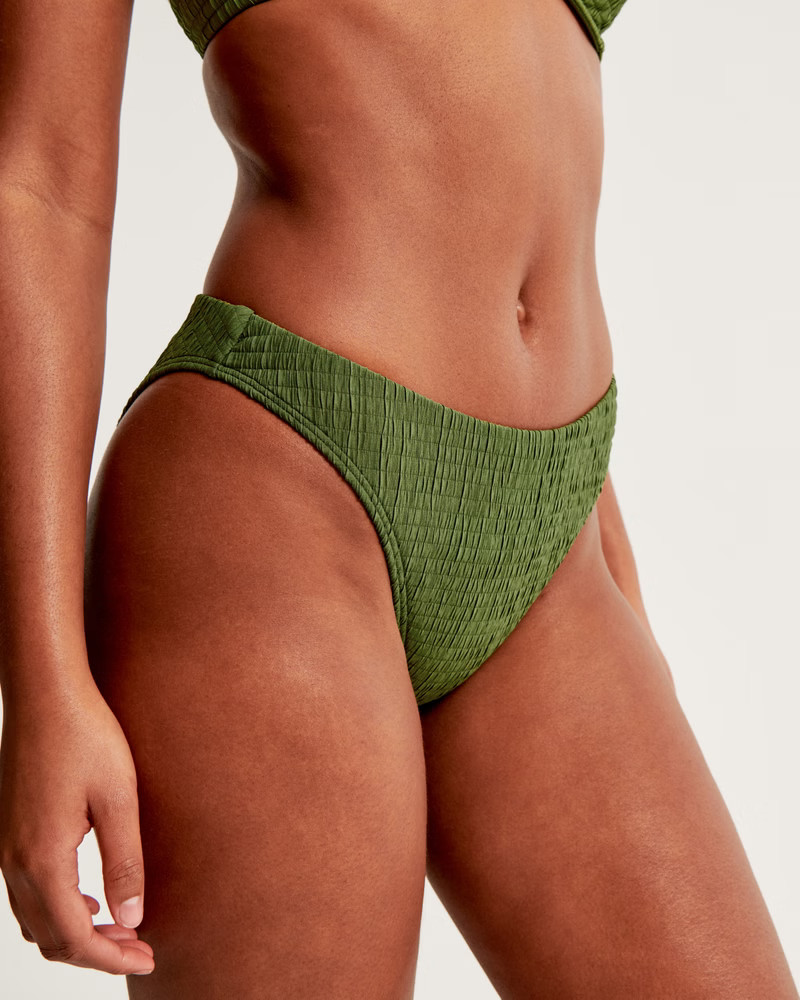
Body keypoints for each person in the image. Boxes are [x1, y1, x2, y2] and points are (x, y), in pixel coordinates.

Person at [0, 0, 797, 995]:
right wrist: (41, 680)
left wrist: (584, 513)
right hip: (282, 496)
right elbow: (42, 180)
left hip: (549, 527)